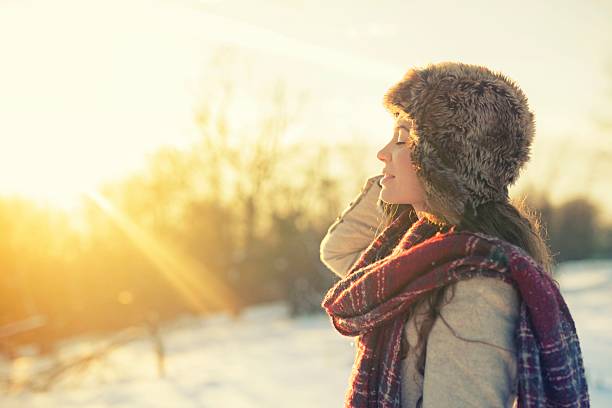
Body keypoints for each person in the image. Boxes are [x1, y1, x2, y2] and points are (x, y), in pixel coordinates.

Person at [320, 62, 589, 407]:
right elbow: (339, 251)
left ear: (443, 160)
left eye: (402, 138)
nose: (382, 154)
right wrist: (401, 181)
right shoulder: (419, 256)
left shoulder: (476, 290)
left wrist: (421, 179)